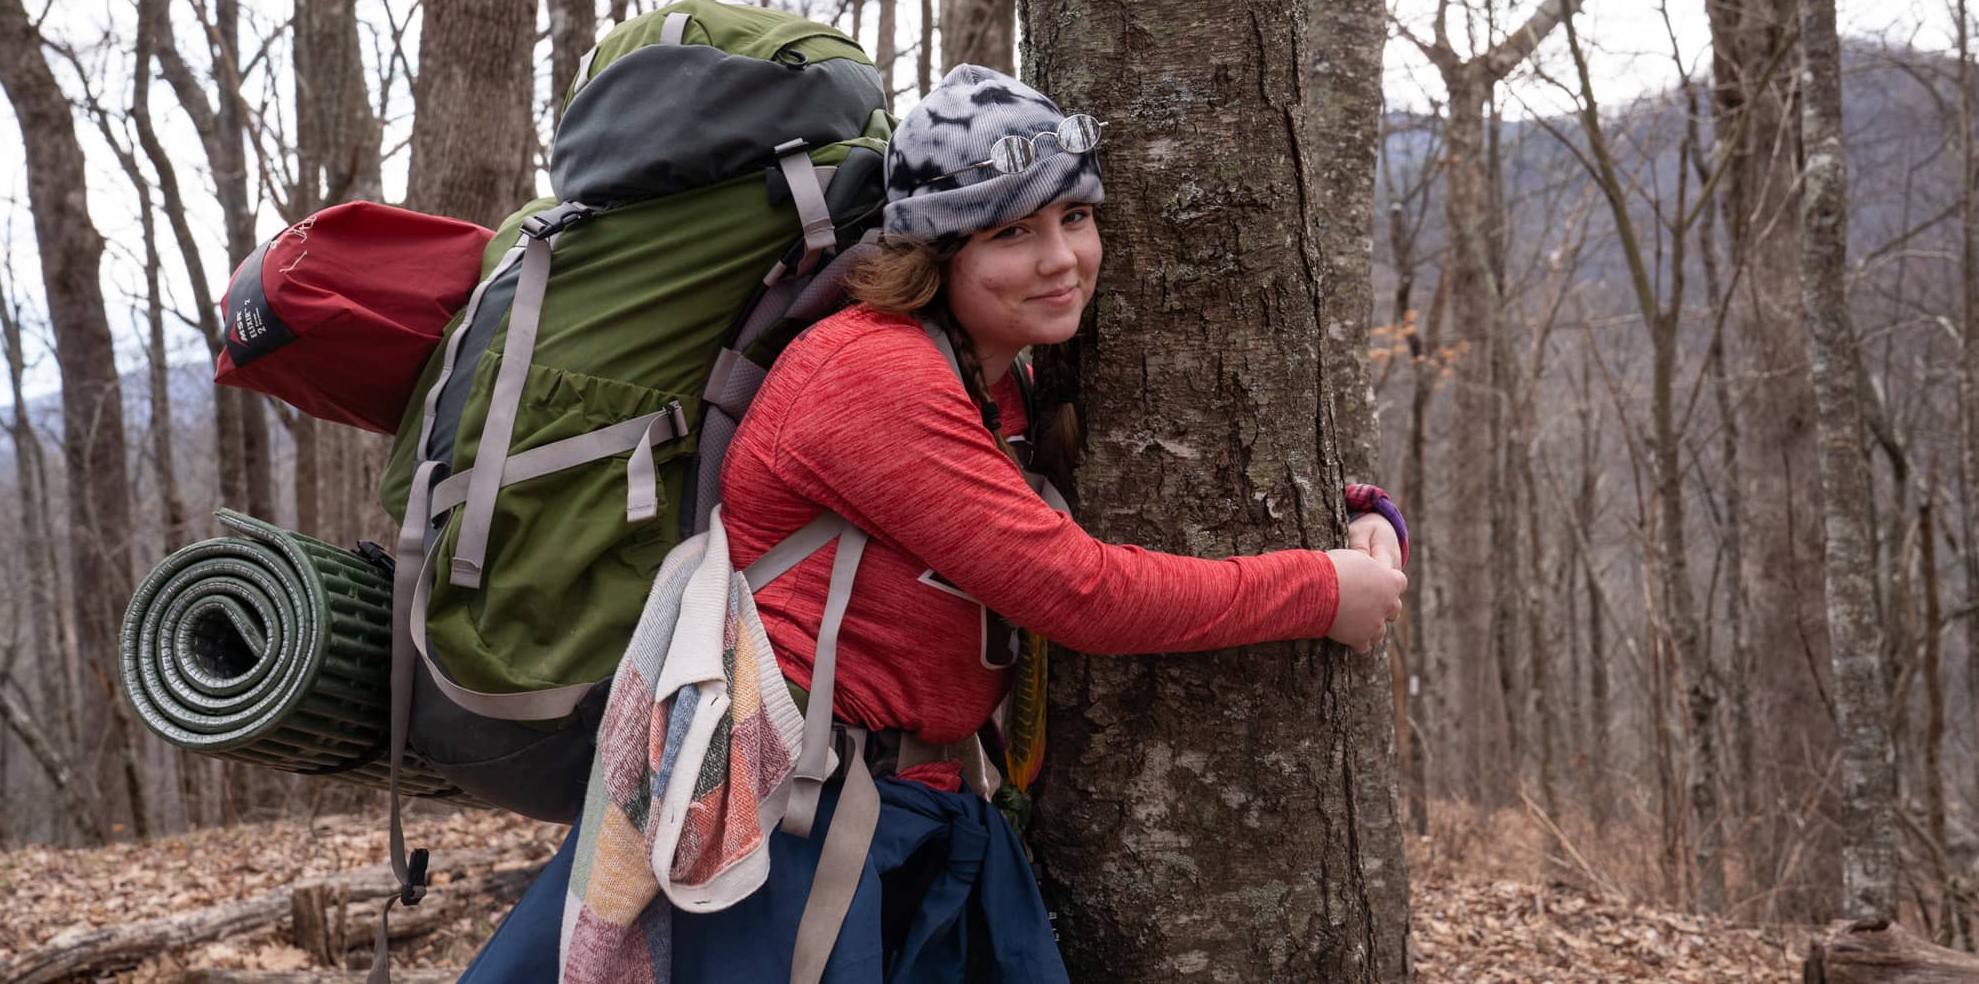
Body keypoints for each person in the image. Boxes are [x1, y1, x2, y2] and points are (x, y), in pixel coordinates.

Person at [462, 63, 1409, 982]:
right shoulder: (874, 376)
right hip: (795, 825)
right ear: (938, 252)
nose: (1060, 258)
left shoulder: (996, 372)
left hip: (907, 816)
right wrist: (1323, 589)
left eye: (1075, 217)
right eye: (1013, 232)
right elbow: (1083, 592)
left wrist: (1353, 511)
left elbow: (1077, 505)